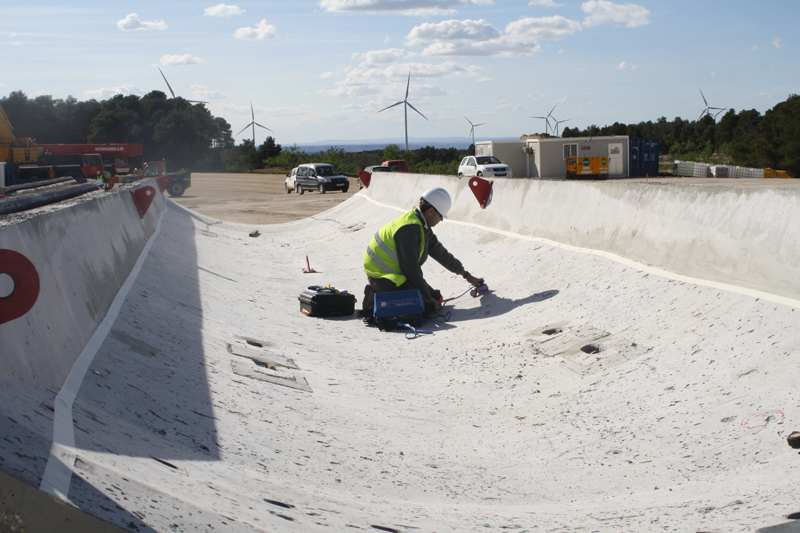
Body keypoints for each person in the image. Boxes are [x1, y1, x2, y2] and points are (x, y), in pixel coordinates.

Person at [361, 187, 484, 317]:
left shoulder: (421, 226)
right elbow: (411, 269)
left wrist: (466, 275)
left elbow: (440, 252)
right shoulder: (409, 229)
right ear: (431, 211)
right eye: (441, 215)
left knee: (437, 297)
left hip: (396, 274)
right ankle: (374, 295)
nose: (441, 219)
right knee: (429, 306)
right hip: (382, 277)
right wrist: (427, 297)